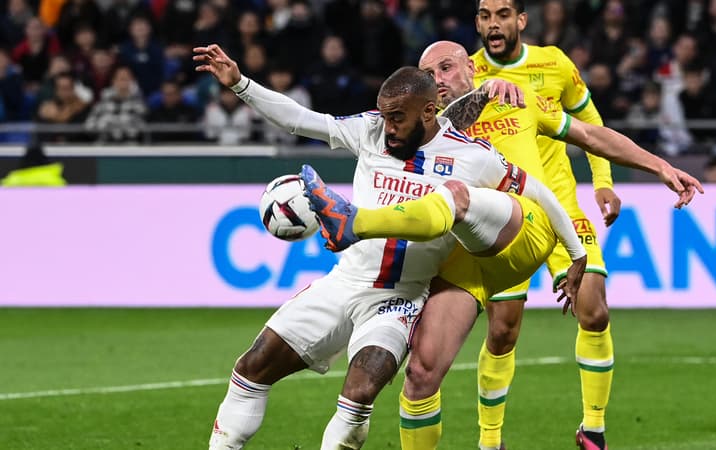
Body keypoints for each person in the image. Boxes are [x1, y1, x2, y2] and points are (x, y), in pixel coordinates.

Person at [193, 44, 588, 450]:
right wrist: (241, 84)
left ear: (429, 112)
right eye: (385, 116)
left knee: (358, 396)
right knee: (251, 369)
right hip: (343, 283)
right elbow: (301, 120)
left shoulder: (474, 158)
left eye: (398, 117)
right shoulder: (370, 130)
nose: (389, 127)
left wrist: (576, 255)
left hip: (398, 301)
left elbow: (540, 193)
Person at [447, 1, 625, 448]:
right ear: (477, 23)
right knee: (503, 330)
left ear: (521, 20)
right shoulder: (466, 78)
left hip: (562, 208)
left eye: (503, 14)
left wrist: (602, 181)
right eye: (485, 15)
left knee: (595, 310)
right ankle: (491, 441)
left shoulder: (555, 64)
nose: (494, 23)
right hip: (504, 218)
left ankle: (594, 431)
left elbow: (589, 122)